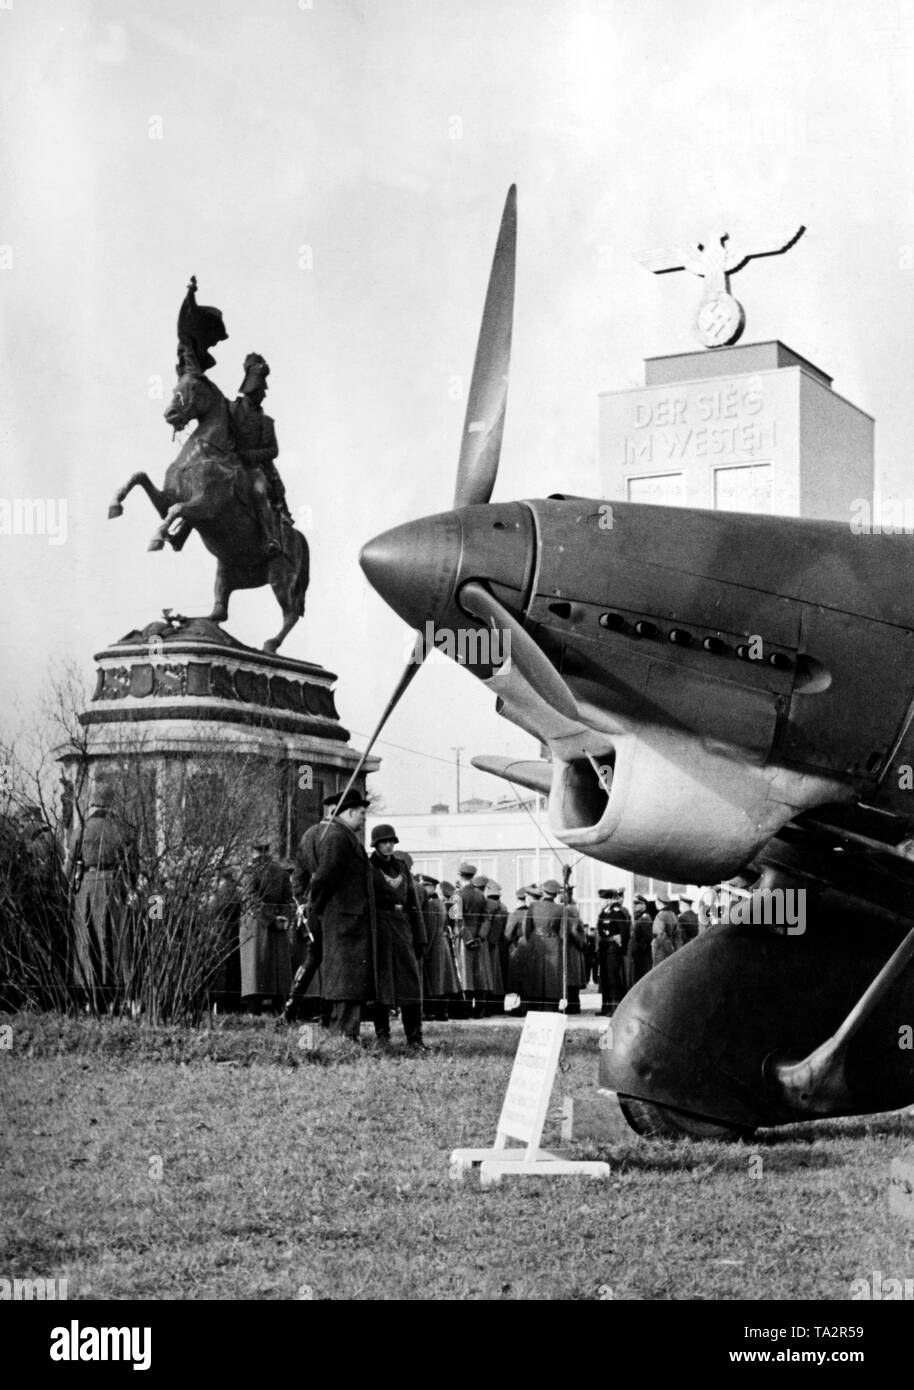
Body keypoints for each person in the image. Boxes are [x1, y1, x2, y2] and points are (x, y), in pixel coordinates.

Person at [307, 789, 378, 1042]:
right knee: (346, 980)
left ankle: (346, 1033)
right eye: (361, 813)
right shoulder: (338, 837)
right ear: (349, 812)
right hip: (344, 921)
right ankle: (344, 1036)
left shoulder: (343, 835)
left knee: (349, 980)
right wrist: (318, 909)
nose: (363, 819)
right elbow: (324, 878)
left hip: (348, 920)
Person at [66, 782, 137, 1010]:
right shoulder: (123, 829)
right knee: (116, 940)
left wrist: (68, 887)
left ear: (93, 802)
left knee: (88, 940)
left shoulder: (82, 829)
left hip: (87, 885)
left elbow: (69, 866)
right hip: (116, 885)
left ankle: (91, 997)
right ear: (112, 802)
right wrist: (131, 886)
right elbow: (133, 864)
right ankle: (120, 996)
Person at [367, 825, 428, 1048]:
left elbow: (413, 902)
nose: (389, 845)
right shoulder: (368, 867)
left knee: (410, 982)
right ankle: (382, 1037)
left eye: (392, 841)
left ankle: (415, 1038)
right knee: (381, 985)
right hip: (378, 930)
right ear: (375, 844)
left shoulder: (401, 866)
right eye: (384, 842)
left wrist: (420, 937)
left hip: (403, 928)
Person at [228, 353, 291, 559]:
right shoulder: (230, 409)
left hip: (256, 469)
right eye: (262, 390)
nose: (264, 394)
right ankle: (181, 532)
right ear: (253, 389)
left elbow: (274, 450)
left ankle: (269, 536)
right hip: (230, 464)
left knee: (258, 489)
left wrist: (251, 455)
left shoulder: (267, 422)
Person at [239, 839, 294, 1013]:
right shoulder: (280, 871)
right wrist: (282, 918)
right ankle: (278, 1009)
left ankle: (254, 1010)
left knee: (255, 968)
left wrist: (269, 919)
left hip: (256, 924)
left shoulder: (250, 872)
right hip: (278, 921)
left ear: (253, 851)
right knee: (277, 969)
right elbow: (288, 900)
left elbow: (251, 900)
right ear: (268, 850)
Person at [418, 874, 460, 1021]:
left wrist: (425, 950)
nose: (421, 889)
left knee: (433, 981)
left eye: (424, 886)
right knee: (442, 980)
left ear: (431, 887)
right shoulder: (439, 902)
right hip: (441, 945)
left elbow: (429, 930)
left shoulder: (429, 904)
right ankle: (441, 1012)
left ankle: (432, 1013)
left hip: (434, 946)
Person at [454, 862, 490, 1019]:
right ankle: (480, 1010)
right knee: (479, 973)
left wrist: (467, 939)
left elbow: (457, 920)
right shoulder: (480, 896)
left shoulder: (458, 896)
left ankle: (467, 1009)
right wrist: (480, 937)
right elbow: (487, 919)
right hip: (478, 938)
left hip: (464, 938)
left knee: (466, 973)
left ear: (460, 876)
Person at [596, 888, 630, 1016]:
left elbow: (624, 932)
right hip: (604, 947)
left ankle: (615, 1007)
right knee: (604, 978)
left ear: (609, 900)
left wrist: (622, 948)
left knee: (613, 978)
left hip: (613, 949)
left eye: (603, 899)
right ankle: (606, 1007)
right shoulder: (603, 913)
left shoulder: (617, 912)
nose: (601, 902)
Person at [482, 880, 508, 1015]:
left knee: (491, 976)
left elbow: (494, 928)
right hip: (502, 945)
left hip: (492, 946)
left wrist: (490, 942)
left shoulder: (489, 906)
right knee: (500, 977)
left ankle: (489, 1008)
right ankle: (499, 1006)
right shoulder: (503, 907)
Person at [628, 894, 654, 985]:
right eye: (634, 904)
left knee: (641, 977)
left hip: (642, 954)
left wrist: (640, 947)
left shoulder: (645, 918)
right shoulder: (639, 917)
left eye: (637, 904)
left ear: (644, 905)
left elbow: (648, 936)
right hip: (638, 953)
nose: (634, 906)